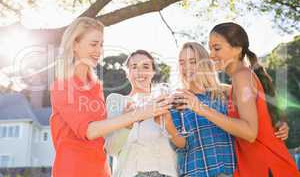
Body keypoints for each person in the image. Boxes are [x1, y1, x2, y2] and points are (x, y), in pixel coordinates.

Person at [172, 22, 299, 177]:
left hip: (268, 168)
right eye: (210, 48)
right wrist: (278, 123)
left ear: (237, 49)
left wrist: (201, 108)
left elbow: (249, 132)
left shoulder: (242, 77)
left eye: (217, 48)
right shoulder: (233, 85)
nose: (211, 55)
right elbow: (263, 114)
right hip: (252, 168)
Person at [50, 18, 169, 177]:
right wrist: (139, 114)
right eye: (94, 44)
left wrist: (127, 118)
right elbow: (90, 130)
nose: (99, 51)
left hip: (101, 171)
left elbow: (106, 137)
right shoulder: (62, 86)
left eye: (101, 44)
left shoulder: (96, 87)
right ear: (75, 44)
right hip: (73, 170)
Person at [105, 50, 178, 177]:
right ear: (127, 72)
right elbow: (111, 149)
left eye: (145, 66)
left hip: (166, 172)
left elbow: (180, 142)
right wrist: (128, 122)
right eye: (134, 67)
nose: (140, 72)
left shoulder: (166, 100)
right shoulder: (117, 101)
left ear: (153, 72)